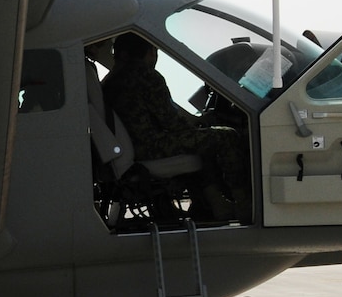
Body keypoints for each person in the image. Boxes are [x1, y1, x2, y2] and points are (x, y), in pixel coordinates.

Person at [101, 32, 250, 221]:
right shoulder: (146, 76)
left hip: (135, 145)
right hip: (150, 146)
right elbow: (171, 122)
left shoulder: (112, 80)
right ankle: (244, 204)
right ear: (150, 52)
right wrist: (198, 127)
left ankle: (212, 203)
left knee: (201, 139)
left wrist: (197, 130)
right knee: (227, 136)